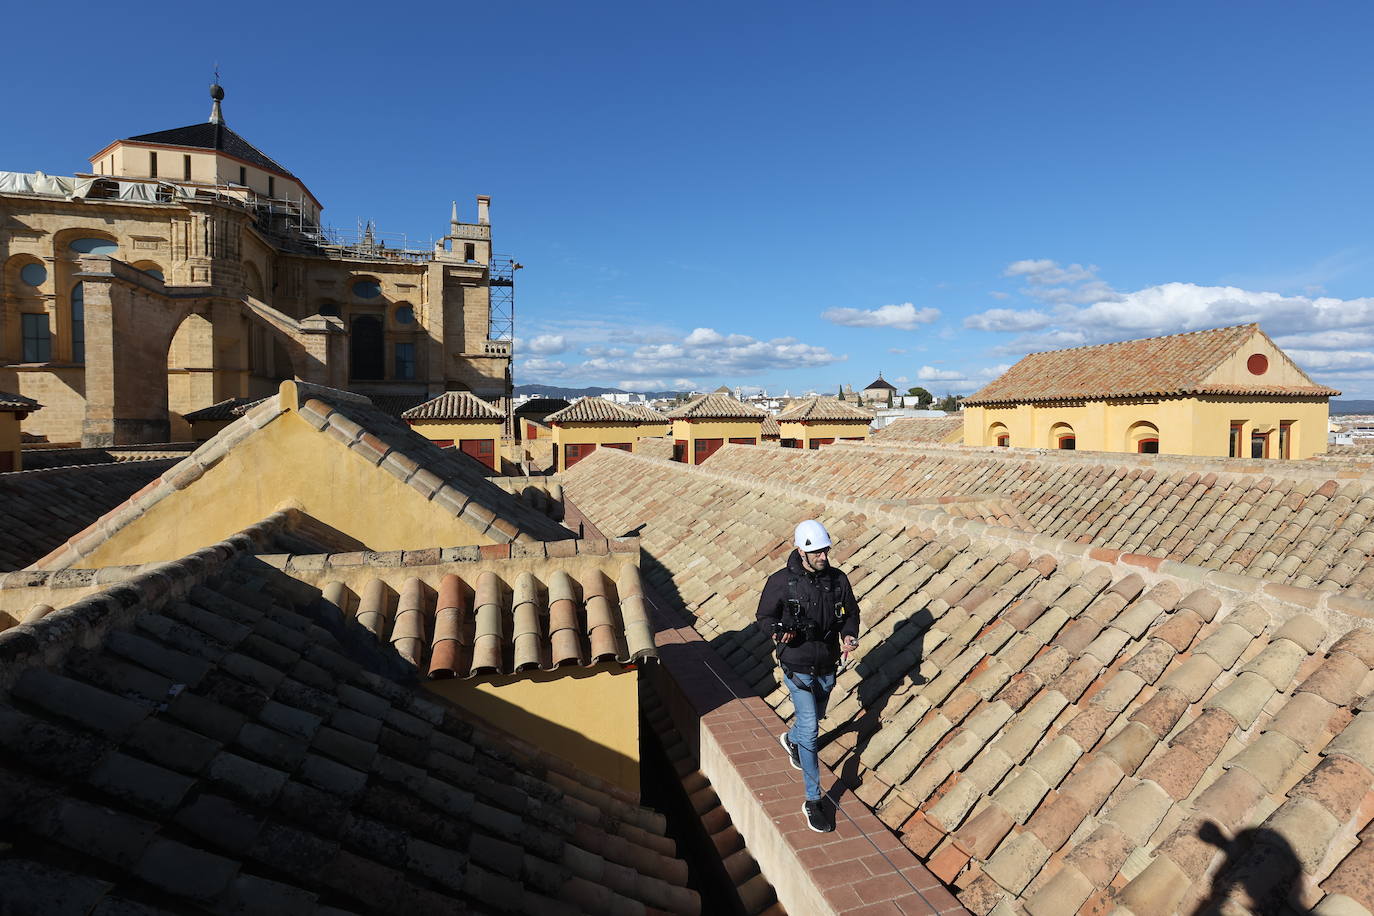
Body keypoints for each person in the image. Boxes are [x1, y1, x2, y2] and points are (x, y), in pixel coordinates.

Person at [756, 519, 861, 832]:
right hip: (797, 665)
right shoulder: (781, 582)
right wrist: (777, 632)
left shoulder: (838, 580)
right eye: (817, 552)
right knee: (811, 729)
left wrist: (849, 635)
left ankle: (792, 740)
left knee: (816, 716)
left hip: (827, 664)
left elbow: (851, 613)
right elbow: (764, 616)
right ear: (801, 551)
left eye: (826, 551)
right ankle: (813, 801)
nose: (823, 557)